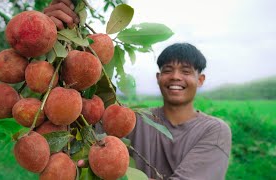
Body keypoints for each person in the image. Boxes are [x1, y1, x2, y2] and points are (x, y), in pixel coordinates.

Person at [44, 1, 232, 179]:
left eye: (185, 71)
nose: (175, 77)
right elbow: (73, 120)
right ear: (158, 78)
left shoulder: (214, 130)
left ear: (200, 80)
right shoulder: (134, 120)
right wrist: (49, 38)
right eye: (168, 70)